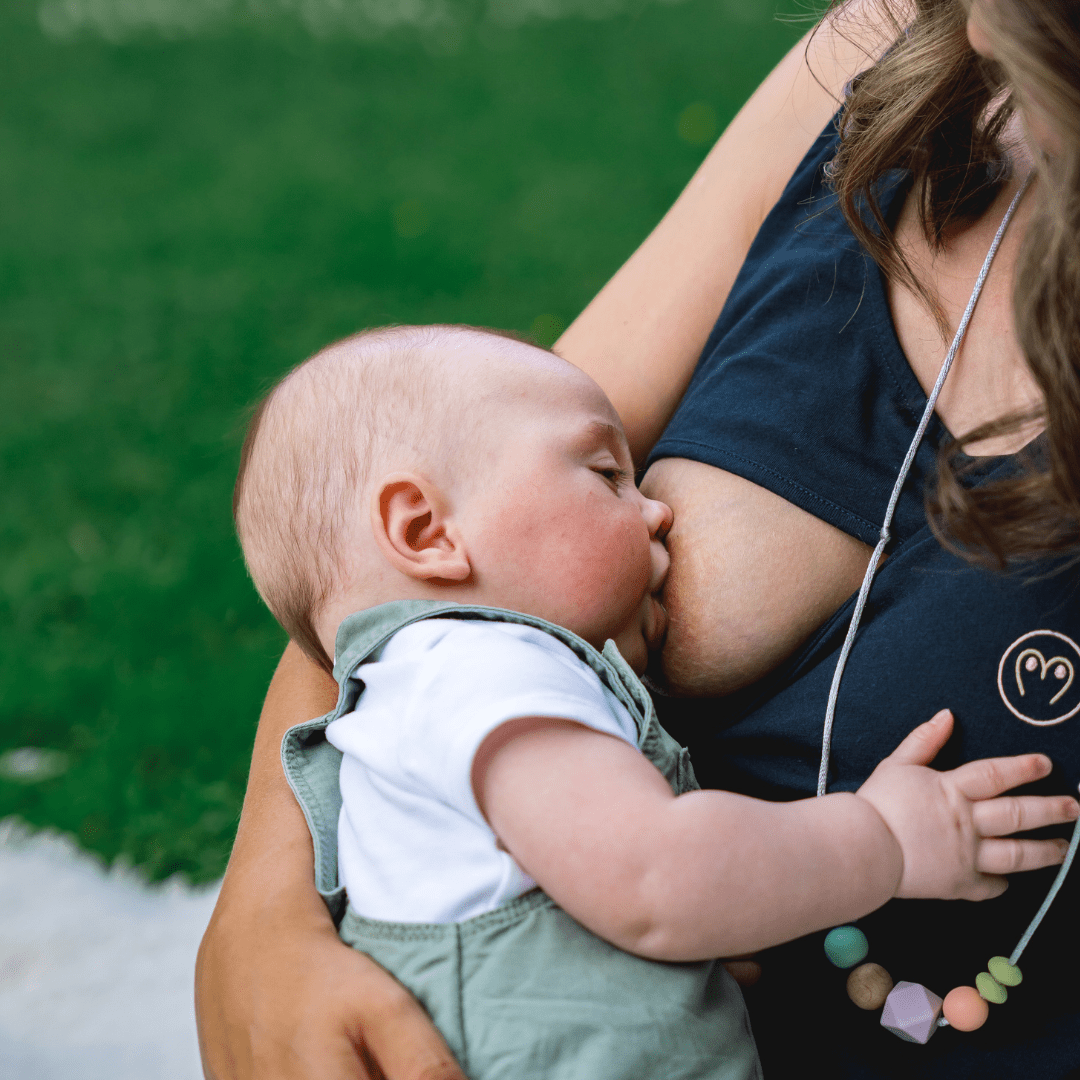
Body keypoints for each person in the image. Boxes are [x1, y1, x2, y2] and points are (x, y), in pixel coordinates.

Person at [195, 0, 1080, 1076]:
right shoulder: (895, 42)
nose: (653, 505)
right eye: (612, 475)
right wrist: (262, 919)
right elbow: (416, 545)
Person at [228, 323, 1071, 1079]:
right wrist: (884, 839)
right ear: (427, 533)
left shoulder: (433, 691)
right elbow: (656, 875)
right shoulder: (476, 667)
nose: (659, 511)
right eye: (606, 474)